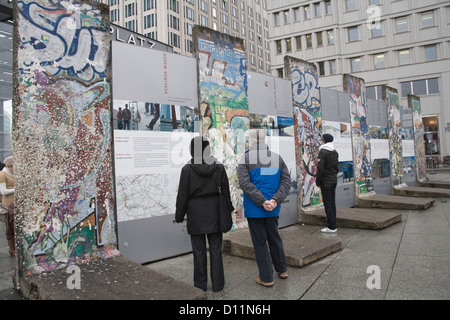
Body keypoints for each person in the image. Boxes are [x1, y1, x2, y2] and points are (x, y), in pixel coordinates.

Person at [175, 136, 233, 292]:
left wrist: (179, 216)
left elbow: (182, 195)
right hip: (216, 212)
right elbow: (226, 192)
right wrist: (229, 209)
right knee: (216, 250)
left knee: (198, 251)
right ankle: (218, 285)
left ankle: (200, 285)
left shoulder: (187, 169)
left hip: (196, 213)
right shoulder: (219, 167)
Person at [237, 129, 291, 287]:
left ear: (250, 141)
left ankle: (266, 277)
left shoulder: (245, 158)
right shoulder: (277, 157)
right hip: (273, 208)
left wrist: (261, 201)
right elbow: (286, 182)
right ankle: (282, 269)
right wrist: (275, 200)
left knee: (260, 242)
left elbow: (245, 184)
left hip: (255, 209)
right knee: (274, 237)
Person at [315, 133, 339, 233]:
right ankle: (333, 224)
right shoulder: (334, 151)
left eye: (322, 139)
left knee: (328, 204)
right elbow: (336, 167)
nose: (321, 141)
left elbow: (320, 168)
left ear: (324, 140)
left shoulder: (323, 152)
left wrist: (318, 181)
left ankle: (331, 227)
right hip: (333, 180)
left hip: (326, 181)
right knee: (332, 203)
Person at [0, 156, 15, 256]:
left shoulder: (11, 174)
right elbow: (3, 191)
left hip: (13, 204)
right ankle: (12, 248)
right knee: (9, 227)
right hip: (7, 205)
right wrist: (16, 189)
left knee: (13, 226)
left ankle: (13, 248)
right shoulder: (2, 174)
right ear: (10, 166)